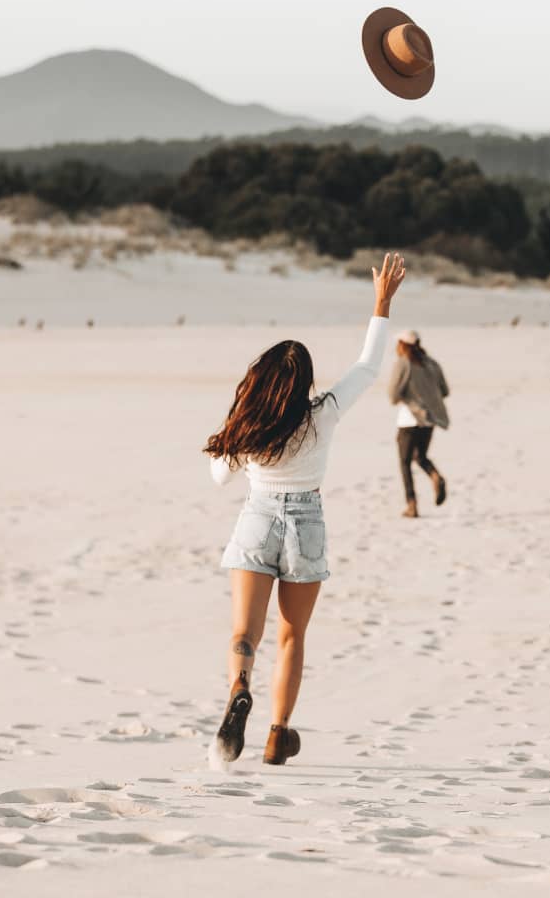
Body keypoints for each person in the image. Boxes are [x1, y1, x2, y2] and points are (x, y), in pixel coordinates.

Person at [204, 252, 406, 766]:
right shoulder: (325, 415)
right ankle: (278, 733)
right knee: (293, 634)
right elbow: (367, 366)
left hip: (256, 517)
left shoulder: (251, 430)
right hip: (306, 525)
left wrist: (239, 432)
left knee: (244, 633)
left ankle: (239, 687)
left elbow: (217, 476)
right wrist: (381, 302)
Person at [387, 329, 449, 518]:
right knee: (421, 457)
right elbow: (444, 391)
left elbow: (393, 395)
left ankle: (412, 505)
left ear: (403, 345)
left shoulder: (403, 363)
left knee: (405, 463)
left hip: (409, 419)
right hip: (430, 419)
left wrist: (408, 397)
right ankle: (435, 476)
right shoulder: (432, 364)